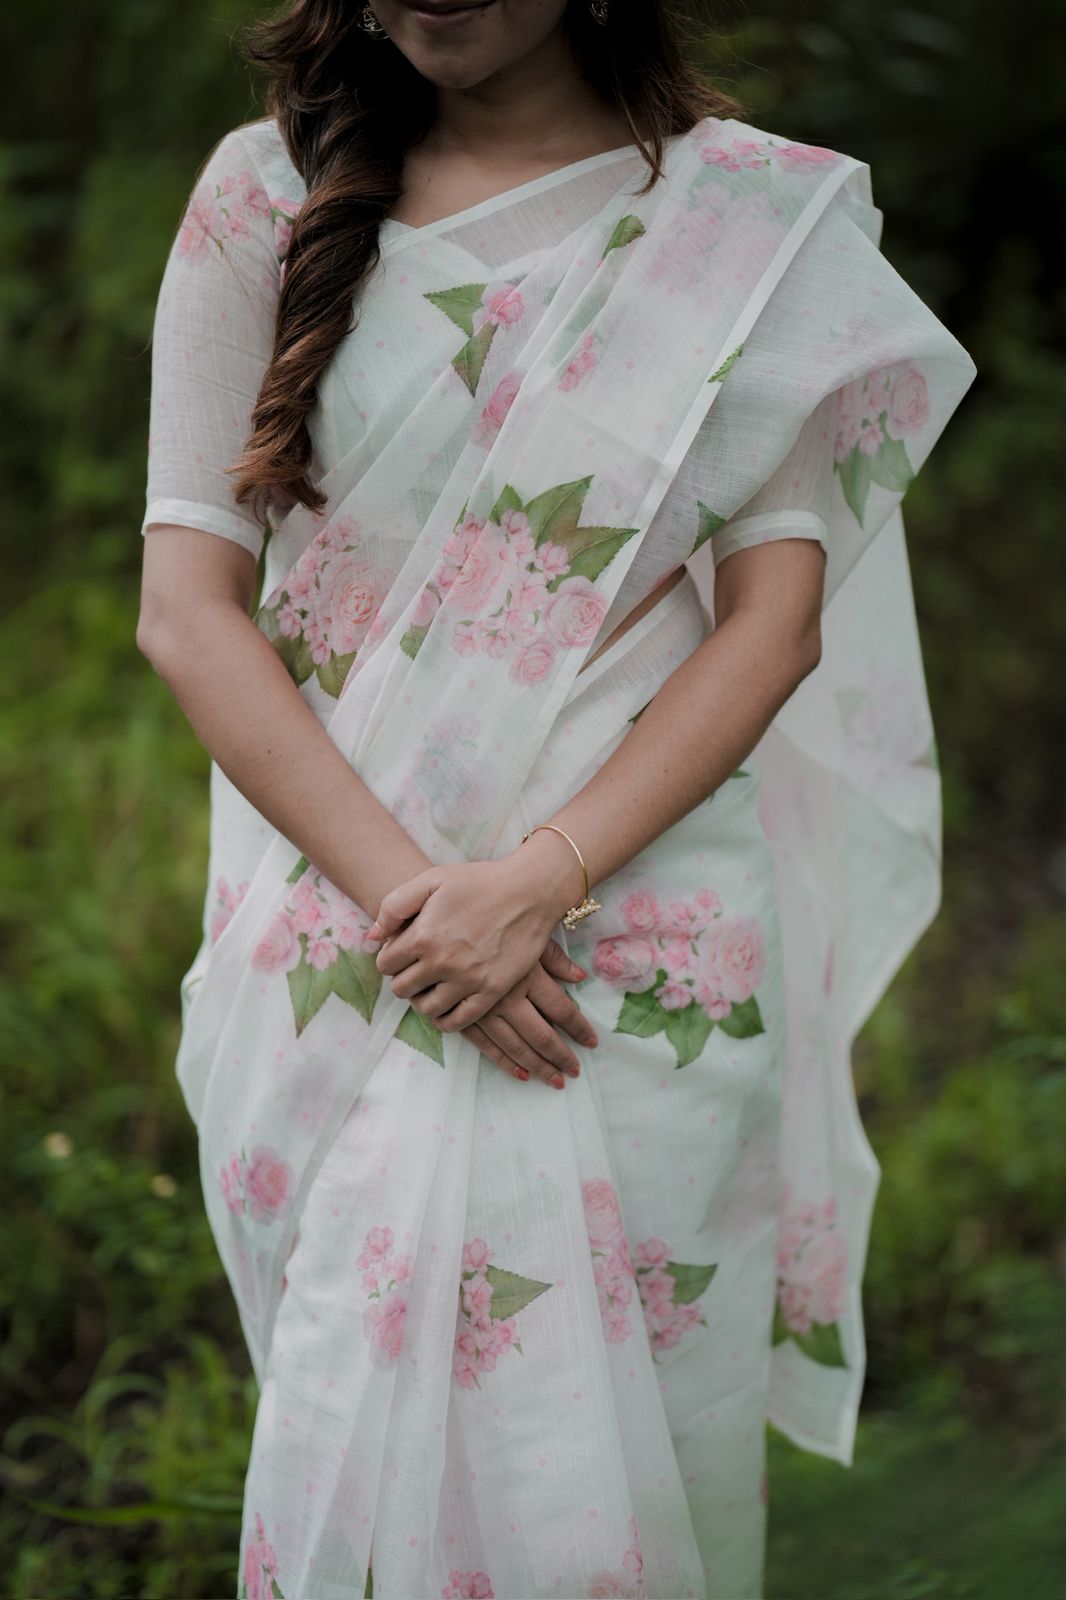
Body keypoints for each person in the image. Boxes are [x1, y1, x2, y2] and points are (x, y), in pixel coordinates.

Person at [135, 1, 976, 1596]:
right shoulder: (265, 194)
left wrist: (535, 881)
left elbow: (771, 623)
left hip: (627, 941)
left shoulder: (746, 219)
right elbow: (188, 614)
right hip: (347, 933)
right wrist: (425, 909)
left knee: (630, 1447)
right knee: (350, 1403)